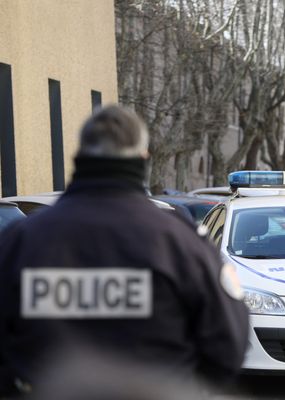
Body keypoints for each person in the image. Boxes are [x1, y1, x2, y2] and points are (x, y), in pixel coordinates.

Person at [0, 105, 249, 396]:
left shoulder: (21, 241)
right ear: (144, 159)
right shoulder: (182, 244)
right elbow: (228, 345)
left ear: (79, 157)